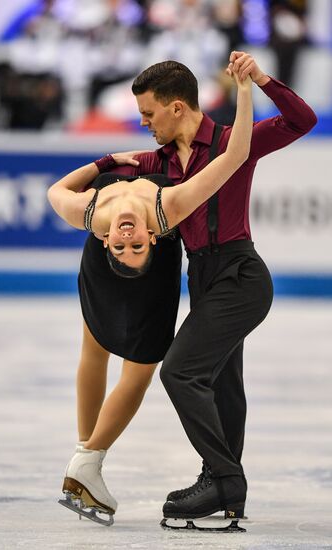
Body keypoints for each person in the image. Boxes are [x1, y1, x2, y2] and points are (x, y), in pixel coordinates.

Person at [98, 51, 317, 525]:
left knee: (180, 372)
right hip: (201, 276)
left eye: (149, 114)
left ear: (177, 107)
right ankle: (222, 485)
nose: (144, 123)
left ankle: (225, 479)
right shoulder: (154, 162)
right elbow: (100, 187)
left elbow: (303, 120)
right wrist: (103, 163)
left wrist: (260, 80)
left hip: (240, 276)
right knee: (222, 384)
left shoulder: (231, 141)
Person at [47, 63, 253, 524]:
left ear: (109, 244)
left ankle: (86, 459)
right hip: (112, 274)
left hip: (128, 276)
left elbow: (55, 191)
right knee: (98, 348)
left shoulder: (93, 217)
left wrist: (104, 164)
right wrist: (243, 91)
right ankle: (87, 458)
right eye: (130, 244)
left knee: (130, 360)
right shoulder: (166, 210)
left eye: (126, 244)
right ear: (150, 242)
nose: (125, 237)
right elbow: (235, 154)